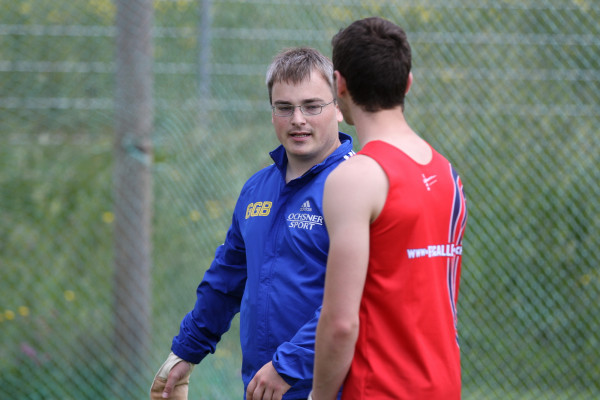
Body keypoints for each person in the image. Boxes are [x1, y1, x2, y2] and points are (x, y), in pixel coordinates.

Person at [150, 47, 354, 400]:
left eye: (312, 106)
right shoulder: (257, 189)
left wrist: (288, 366)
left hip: (332, 388)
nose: (298, 119)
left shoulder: (358, 185)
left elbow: (357, 301)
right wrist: (185, 352)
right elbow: (225, 280)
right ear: (272, 112)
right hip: (264, 388)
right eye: (284, 107)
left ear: (338, 108)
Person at [311, 17, 468, 400]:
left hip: (379, 391)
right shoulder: (448, 173)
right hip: (445, 388)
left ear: (339, 84)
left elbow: (341, 323)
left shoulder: (355, 178)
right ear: (407, 83)